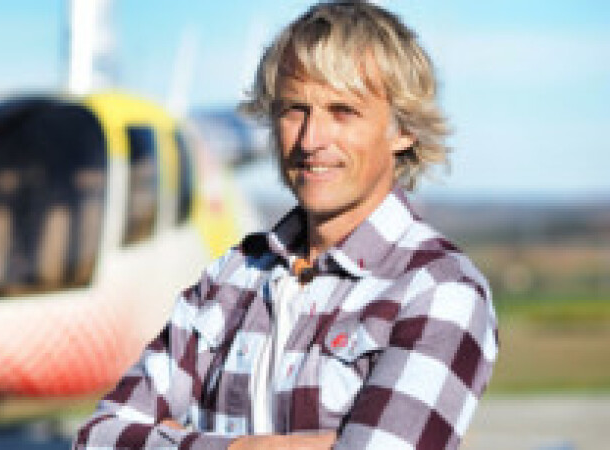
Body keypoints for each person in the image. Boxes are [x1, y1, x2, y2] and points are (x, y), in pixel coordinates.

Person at [74, 1, 498, 448]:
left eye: (343, 111)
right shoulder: (233, 275)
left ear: (404, 130)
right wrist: (244, 447)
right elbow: (98, 437)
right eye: (295, 110)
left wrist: (180, 440)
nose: (311, 140)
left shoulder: (439, 291)